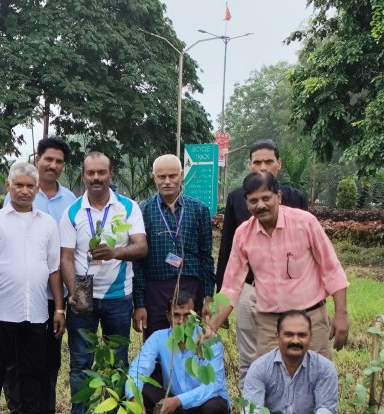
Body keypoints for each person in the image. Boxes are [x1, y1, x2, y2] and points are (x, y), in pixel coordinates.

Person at [208, 172, 349, 361]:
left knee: (316, 380)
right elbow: (230, 287)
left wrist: (341, 315)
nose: (260, 205)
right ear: (246, 203)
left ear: (279, 197)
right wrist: (210, 327)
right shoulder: (243, 234)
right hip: (269, 324)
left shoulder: (305, 223)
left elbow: (331, 268)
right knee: (271, 383)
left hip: (310, 318)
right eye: (253, 200)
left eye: (266, 198)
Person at [60, 152, 147, 414]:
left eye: (101, 172)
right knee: (81, 362)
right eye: (90, 173)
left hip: (118, 298)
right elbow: (67, 258)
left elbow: (140, 247)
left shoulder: (128, 208)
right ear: (83, 175)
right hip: (83, 300)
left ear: (111, 174)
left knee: (117, 361)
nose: (96, 178)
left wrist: (114, 253)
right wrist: (74, 293)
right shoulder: (73, 211)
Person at [0, 161, 65, 414]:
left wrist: (59, 307)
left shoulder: (48, 224)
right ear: (8, 186)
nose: (25, 191)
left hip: (37, 311)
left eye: (30, 186)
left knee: (33, 371)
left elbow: (54, 269)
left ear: (38, 188)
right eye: (19, 185)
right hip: (2, 310)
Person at [216, 139, 309, 384]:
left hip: (289, 291)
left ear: (279, 164)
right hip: (249, 288)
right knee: (249, 357)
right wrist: (221, 303)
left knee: (288, 353)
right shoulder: (237, 198)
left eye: (269, 161)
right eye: (257, 162)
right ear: (249, 165)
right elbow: (227, 250)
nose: (263, 167)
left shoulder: (296, 198)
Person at [3, 136, 77, 414]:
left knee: (49, 357)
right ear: (38, 159)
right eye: (49, 159)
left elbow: (66, 252)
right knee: (14, 358)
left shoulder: (70, 200)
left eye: (59, 161)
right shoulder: (18, 193)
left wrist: (62, 302)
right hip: (20, 293)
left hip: (53, 295)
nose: (53, 165)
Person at [125, 294, 230, 414]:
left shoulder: (210, 341)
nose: (181, 322)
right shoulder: (158, 338)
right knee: (144, 390)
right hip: (174, 412)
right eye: (176, 315)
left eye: (187, 315)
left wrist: (178, 400)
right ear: (168, 316)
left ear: (197, 316)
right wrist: (133, 397)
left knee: (215, 407)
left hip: (202, 410)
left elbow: (214, 386)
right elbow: (138, 369)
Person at [133, 154, 214, 337]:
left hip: (191, 287)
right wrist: (139, 303)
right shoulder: (142, 211)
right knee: (157, 343)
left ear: (181, 175)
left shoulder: (199, 210)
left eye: (172, 176)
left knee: (191, 344)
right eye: (161, 177)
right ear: (154, 177)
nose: (167, 181)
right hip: (156, 289)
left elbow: (206, 256)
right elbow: (137, 263)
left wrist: (208, 295)